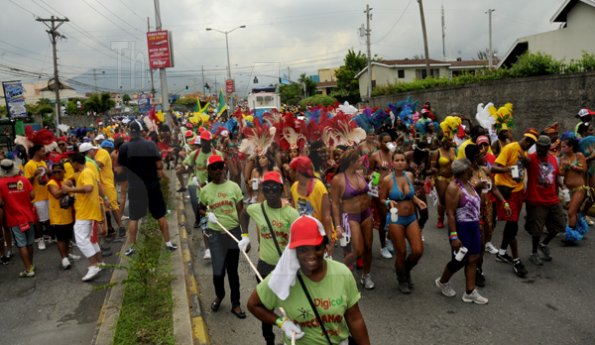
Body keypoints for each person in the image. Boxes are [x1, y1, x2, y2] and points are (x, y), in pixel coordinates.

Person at [247, 215, 371, 345]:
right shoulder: (283, 277)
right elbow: (253, 305)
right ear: (294, 250)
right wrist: (281, 322)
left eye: (316, 248)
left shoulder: (342, 274)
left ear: (325, 246)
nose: (311, 255)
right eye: (303, 249)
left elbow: (354, 319)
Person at [240, 171, 299, 345]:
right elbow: (244, 212)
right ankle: (269, 340)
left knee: (292, 310)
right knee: (265, 309)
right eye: (267, 188)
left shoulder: (291, 214)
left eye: (275, 187)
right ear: (263, 190)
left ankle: (292, 340)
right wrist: (245, 235)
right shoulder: (257, 209)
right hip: (265, 268)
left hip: (287, 270)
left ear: (282, 189)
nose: (271, 191)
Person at [118, 120, 177, 256]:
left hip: (135, 188)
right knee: (160, 215)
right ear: (141, 131)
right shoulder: (150, 144)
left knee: (134, 218)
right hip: (152, 186)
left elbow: (120, 170)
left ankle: (132, 247)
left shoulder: (124, 148)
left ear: (129, 132)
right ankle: (168, 243)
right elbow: (160, 166)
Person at [199, 154, 247, 319]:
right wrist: (207, 214)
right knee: (218, 272)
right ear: (209, 171)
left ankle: (236, 303)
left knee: (233, 271)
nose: (218, 170)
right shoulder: (205, 190)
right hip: (216, 234)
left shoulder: (233, 187)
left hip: (233, 232)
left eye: (220, 166)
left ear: (224, 167)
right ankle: (220, 295)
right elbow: (200, 209)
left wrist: (244, 235)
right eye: (214, 167)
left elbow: (241, 210)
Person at [435, 159, 488, 304]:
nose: (473, 170)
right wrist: (454, 236)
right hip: (461, 228)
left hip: (474, 226)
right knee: (460, 260)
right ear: (464, 172)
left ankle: (470, 291)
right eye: (470, 169)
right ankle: (443, 281)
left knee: (473, 258)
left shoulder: (469, 183)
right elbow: (450, 213)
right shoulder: (453, 188)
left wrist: (478, 187)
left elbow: (473, 202)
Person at [491, 128, 538, 278]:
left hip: (518, 192)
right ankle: (517, 261)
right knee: (512, 226)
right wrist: (508, 169)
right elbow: (494, 168)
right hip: (507, 192)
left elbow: (525, 167)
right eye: (528, 140)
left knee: (512, 224)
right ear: (525, 138)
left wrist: (527, 162)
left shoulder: (524, 153)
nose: (528, 143)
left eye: (531, 142)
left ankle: (502, 253)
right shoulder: (510, 148)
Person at [379, 150, 427, 294]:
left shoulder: (410, 176)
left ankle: (404, 270)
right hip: (396, 219)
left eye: (402, 160)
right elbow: (381, 198)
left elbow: (411, 195)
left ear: (406, 162)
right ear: (392, 163)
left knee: (418, 251)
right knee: (401, 251)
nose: (400, 162)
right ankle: (402, 279)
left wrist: (417, 200)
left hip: (411, 217)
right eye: (397, 160)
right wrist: (388, 202)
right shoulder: (387, 180)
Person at [330, 148, 375, 289]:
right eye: (358, 161)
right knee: (358, 250)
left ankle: (366, 275)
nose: (361, 163)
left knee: (368, 247)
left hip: (366, 214)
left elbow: (369, 191)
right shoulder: (338, 180)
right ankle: (338, 271)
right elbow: (335, 204)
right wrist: (337, 226)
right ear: (351, 162)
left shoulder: (361, 174)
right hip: (351, 216)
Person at [61, 153, 105, 282]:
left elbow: (88, 188)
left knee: (81, 239)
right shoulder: (87, 172)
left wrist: (70, 189)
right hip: (88, 211)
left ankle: (93, 265)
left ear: (75, 163)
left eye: (71, 162)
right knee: (91, 240)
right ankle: (100, 262)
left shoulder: (86, 172)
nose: (70, 165)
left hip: (85, 212)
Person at [524, 136, 565, 264]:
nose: (540, 149)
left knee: (560, 225)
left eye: (543, 147)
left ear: (548, 147)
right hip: (536, 200)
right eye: (538, 146)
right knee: (537, 230)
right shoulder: (530, 158)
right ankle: (534, 253)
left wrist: (563, 187)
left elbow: (556, 176)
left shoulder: (553, 159)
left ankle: (544, 244)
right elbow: (520, 162)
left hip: (552, 199)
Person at [0, 159, 36, 277]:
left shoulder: (1, 183)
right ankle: (30, 264)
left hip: (14, 219)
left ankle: (28, 269)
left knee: (21, 244)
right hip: (28, 216)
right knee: (29, 243)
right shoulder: (24, 179)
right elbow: (32, 195)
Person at [289, 156, 333, 249]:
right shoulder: (294, 187)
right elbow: (293, 213)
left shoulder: (319, 187)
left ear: (298, 171)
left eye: (292, 170)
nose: (289, 172)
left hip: (319, 234)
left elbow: (326, 217)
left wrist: (328, 240)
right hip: (303, 235)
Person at [46, 163, 80, 269]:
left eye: (58, 171)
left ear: (64, 171)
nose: (56, 173)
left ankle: (68, 254)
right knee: (60, 238)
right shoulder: (51, 182)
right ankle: (64, 258)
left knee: (67, 237)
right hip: (57, 216)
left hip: (68, 214)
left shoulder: (66, 180)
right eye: (54, 172)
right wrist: (68, 188)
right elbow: (56, 194)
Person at [559, 132, 589, 242]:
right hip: (568, 190)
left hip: (579, 189)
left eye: (564, 146)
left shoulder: (579, 156)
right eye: (561, 146)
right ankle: (580, 227)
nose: (562, 148)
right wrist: (564, 167)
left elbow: (584, 169)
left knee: (571, 212)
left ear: (571, 147)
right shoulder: (562, 158)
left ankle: (570, 236)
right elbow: (561, 173)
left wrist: (572, 166)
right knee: (573, 211)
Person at [23, 144, 50, 251]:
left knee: (47, 219)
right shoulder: (29, 165)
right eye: (42, 151)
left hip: (47, 194)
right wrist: (34, 175)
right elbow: (26, 183)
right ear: (37, 152)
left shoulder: (43, 163)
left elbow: (47, 178)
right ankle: (40, 239)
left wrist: (48, 172)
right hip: (37, 197)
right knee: (38, 221)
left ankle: (48, 236)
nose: (44, 153)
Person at [432, 136, 456, 229]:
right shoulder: (437, 152)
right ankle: (440, 218)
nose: (452, 141)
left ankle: (451, 216)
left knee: (453, 199)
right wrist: (438, 172)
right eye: (450, 140)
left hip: (453, 177)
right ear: (444, 141)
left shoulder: (454, 150)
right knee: (442, 200)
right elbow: (432, 167)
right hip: (441, 178)